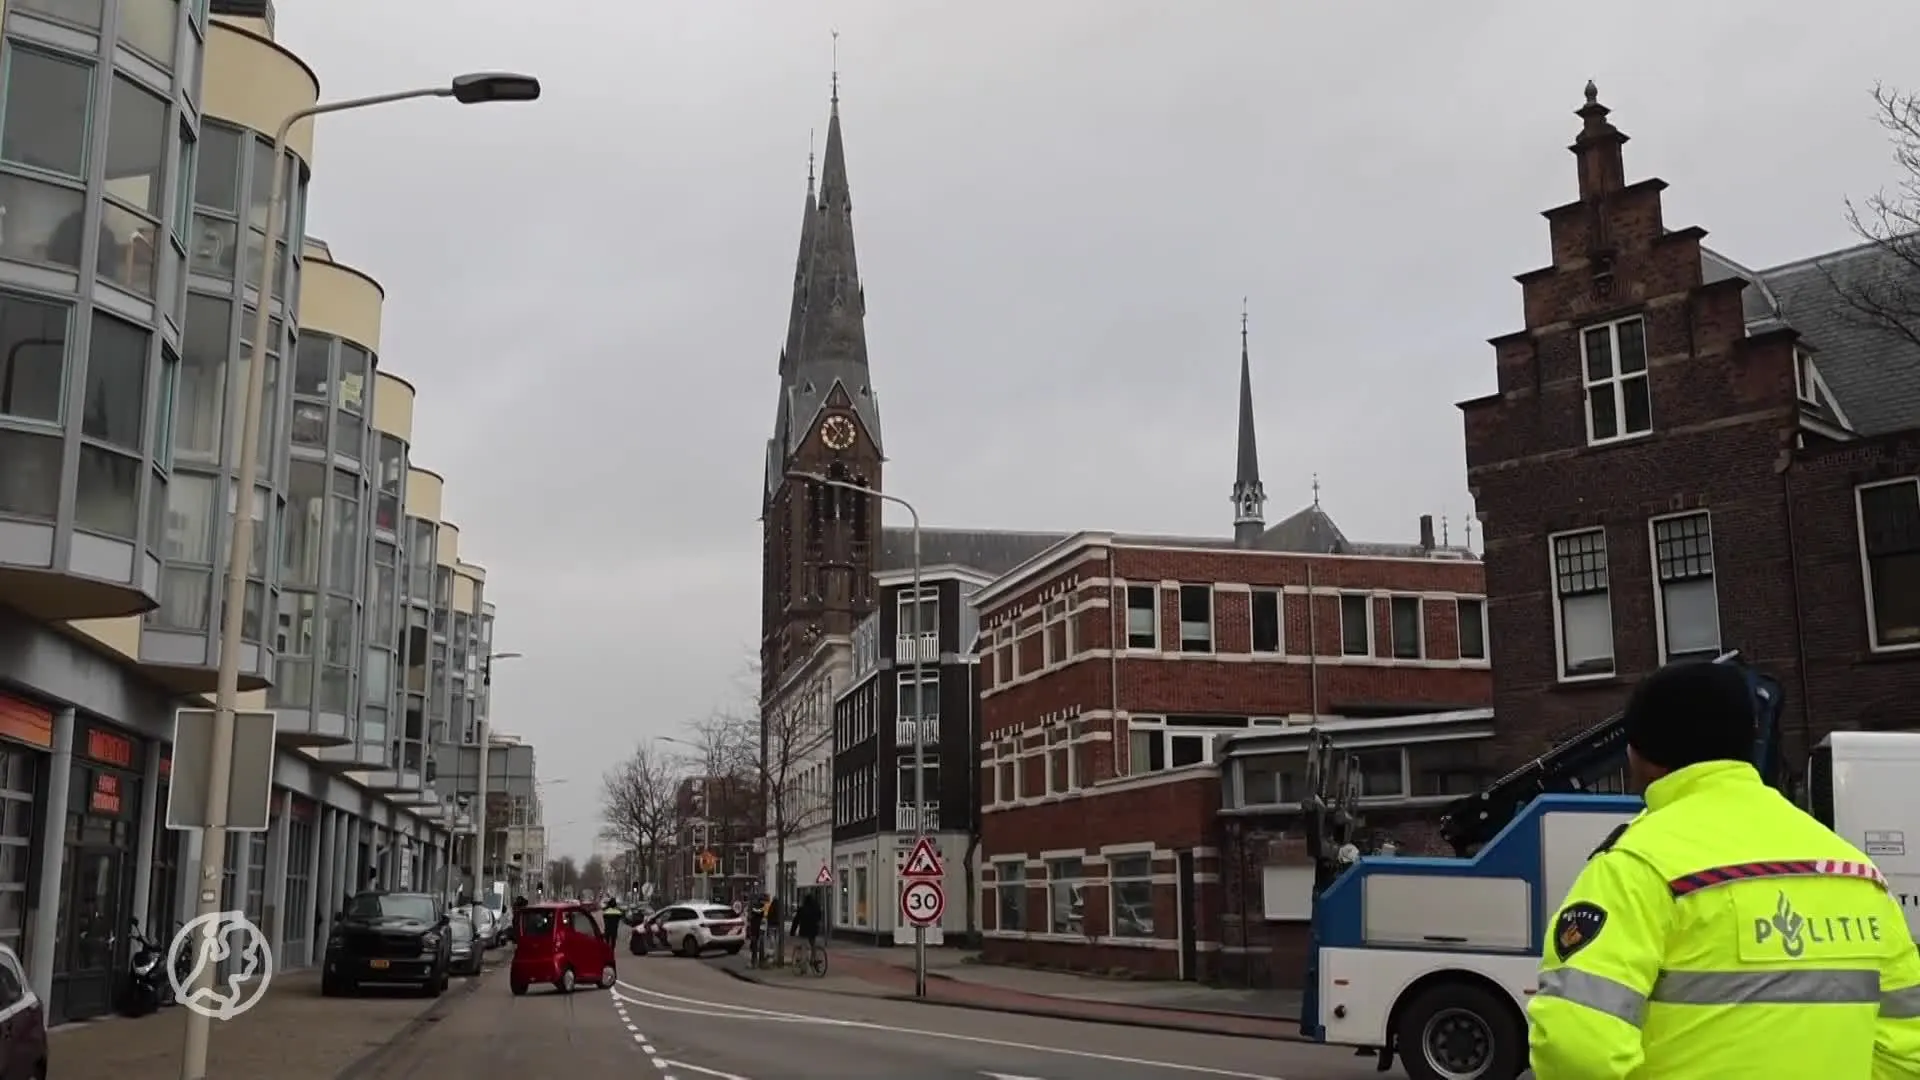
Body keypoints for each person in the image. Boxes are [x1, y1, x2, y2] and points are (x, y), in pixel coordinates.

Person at [1527, 659, 1920, 1079]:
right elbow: (1906, 1052)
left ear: (1641, 754)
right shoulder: (1855, 872)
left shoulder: (1638, 867)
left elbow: (1577, 1049)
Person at [789, 891, 823, 965]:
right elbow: (820, 917)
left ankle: (803, 963)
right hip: (814, 930)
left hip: (804, 930)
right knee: (813, 944)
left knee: (803, 946)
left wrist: (792, 931)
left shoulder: (802, 909)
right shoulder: (816, 908)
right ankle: (815, 959)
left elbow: (796, 921)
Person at [744, 893, 767, 968]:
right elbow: (757, 911)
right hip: (755, 927)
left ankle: (758, 962)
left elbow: (763, 915)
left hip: (758, 927)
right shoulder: (756, 906)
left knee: (759, 945)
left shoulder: (761, 906)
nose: (765, 902)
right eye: (764, 901)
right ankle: (756, 962)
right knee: (755, 944)